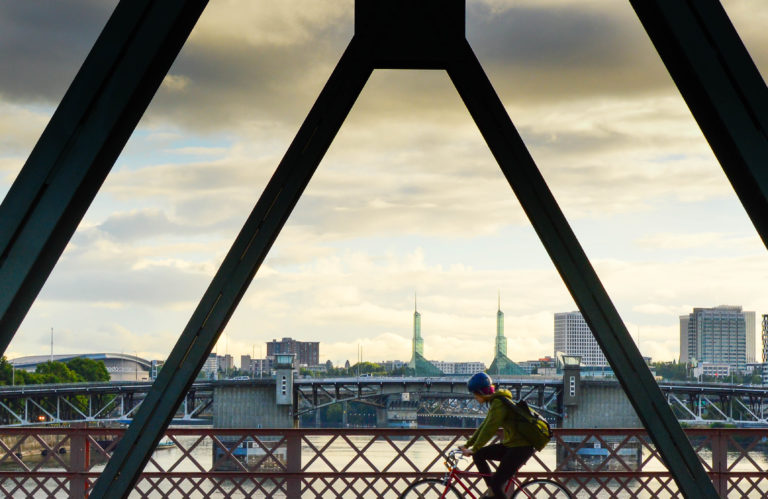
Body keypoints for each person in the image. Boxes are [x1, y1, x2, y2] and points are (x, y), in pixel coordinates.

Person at [460, 372, 535, 499]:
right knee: (478, 455)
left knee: (496, 485)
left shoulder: (499, 403)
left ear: (480, 392)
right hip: (512, 445)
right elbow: (484, 425)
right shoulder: (495, 402)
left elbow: (490, 429)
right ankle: (493, 493)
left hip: (521, 448)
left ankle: (493, 491)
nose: (475, 397)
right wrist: (468, 444)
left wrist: (475, 447)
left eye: (475, 394)